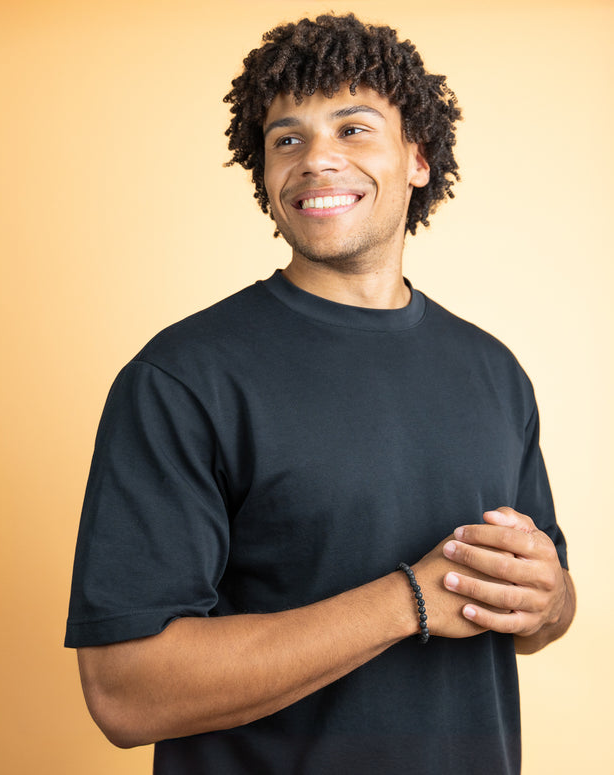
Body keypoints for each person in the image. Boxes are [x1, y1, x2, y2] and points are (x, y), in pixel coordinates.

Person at [65, 13, 575, 775]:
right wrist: (408, 600)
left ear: (419, 158)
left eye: (354, 129)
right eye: (287, 138)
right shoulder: (181, 377)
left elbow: (541, 616)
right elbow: (124, 690)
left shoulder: (495, 371)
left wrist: (550, 598)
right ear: (264, 172)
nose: (316, 160)